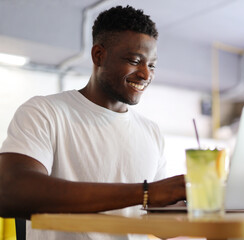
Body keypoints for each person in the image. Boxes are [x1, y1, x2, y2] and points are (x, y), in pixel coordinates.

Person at [0, 5, 186, 240]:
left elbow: (153, 216)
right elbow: (10, 193)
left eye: (151, 65)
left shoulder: (151, 132)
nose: (146, 75)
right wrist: (146, 192)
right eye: (135, 60)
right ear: (98, 55)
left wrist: (199, 206)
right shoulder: (45, 112)